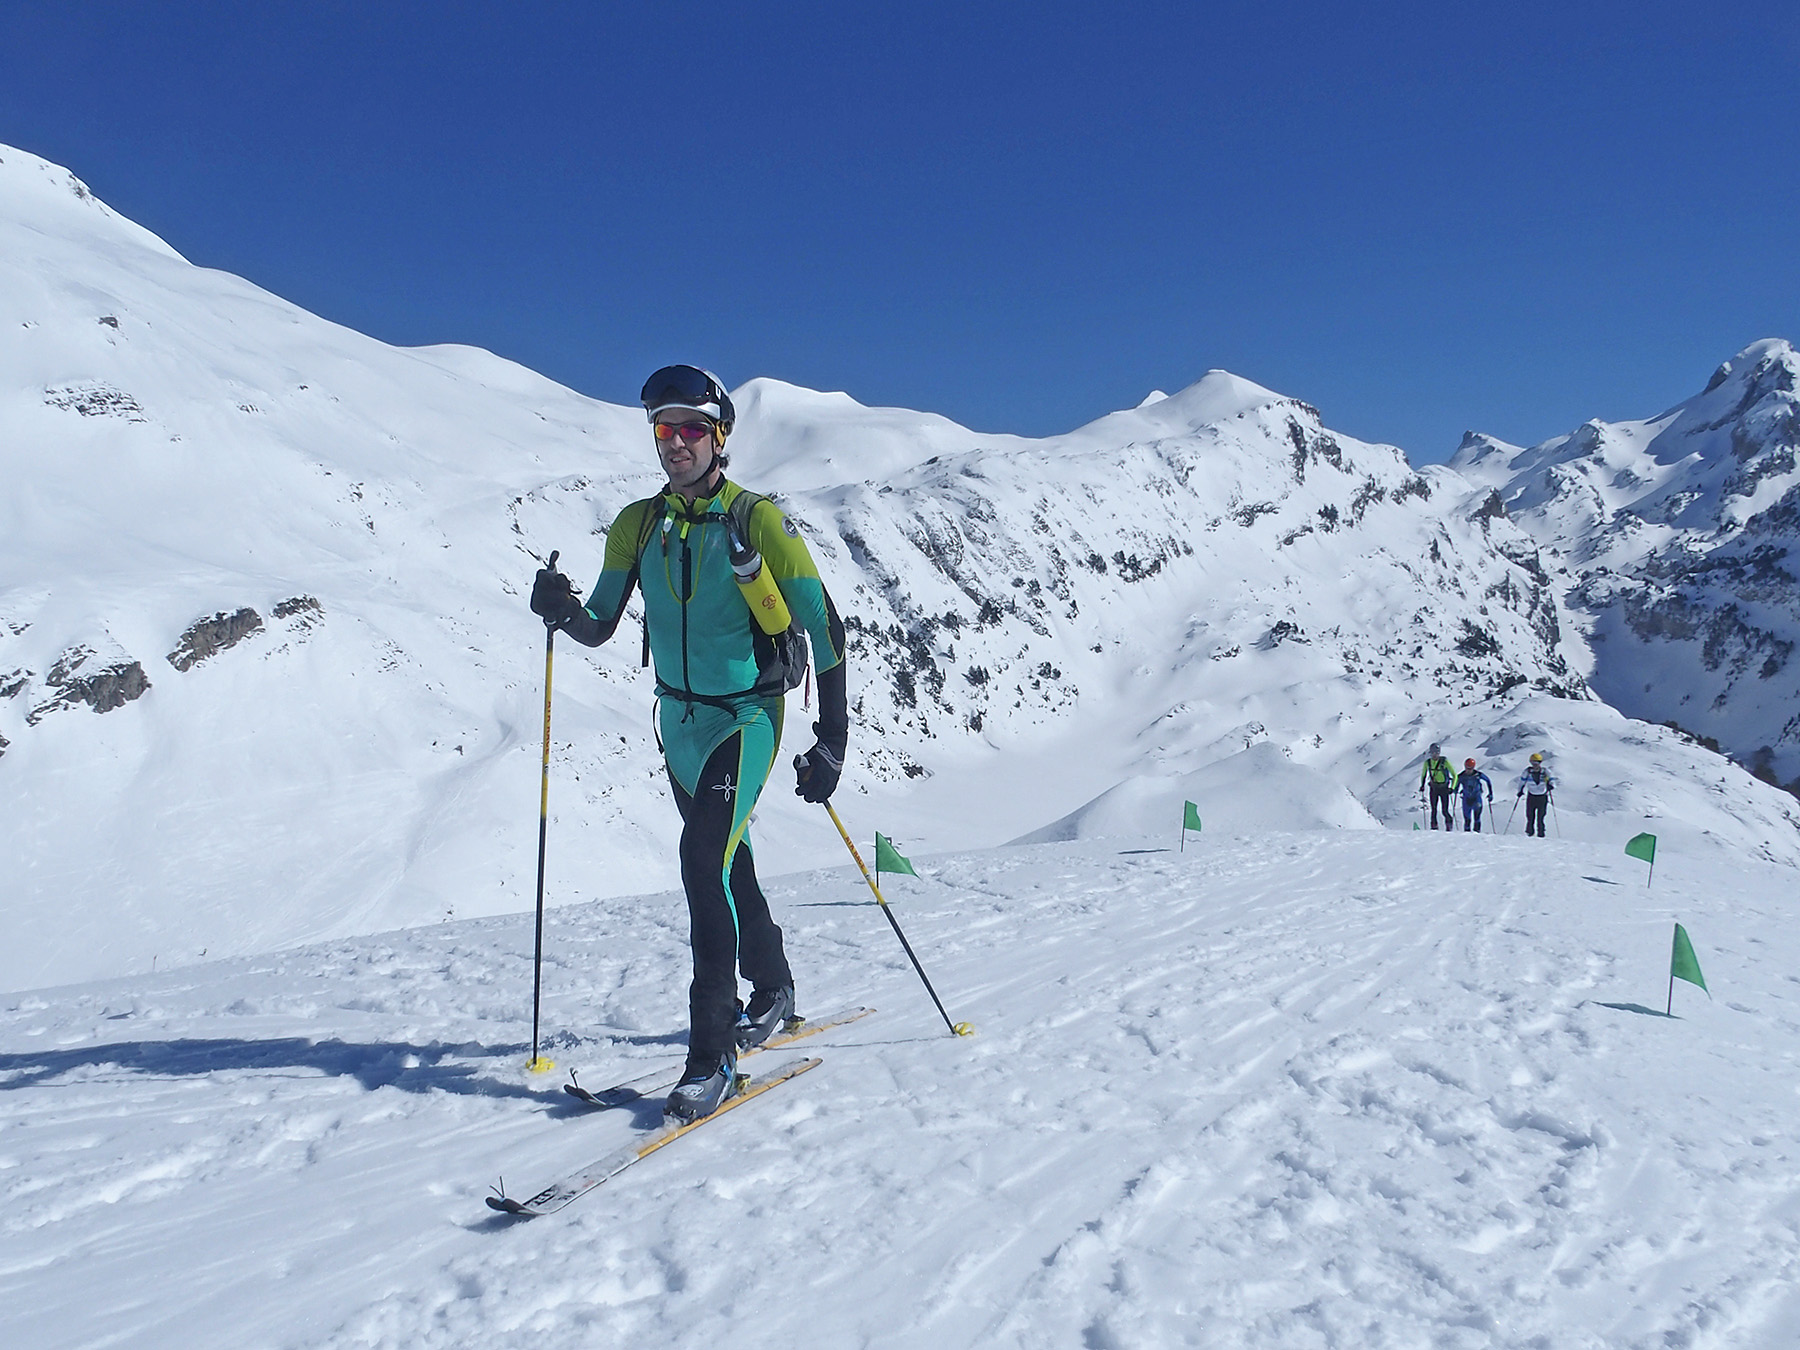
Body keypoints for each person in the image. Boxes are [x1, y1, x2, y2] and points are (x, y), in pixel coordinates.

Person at [529, 365, 850, 1122]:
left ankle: (712, 1056)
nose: (675, 442)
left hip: (747, 717)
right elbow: (602, 624)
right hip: (677, 722)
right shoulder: (637, 524)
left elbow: (828, 629)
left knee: (700, 859)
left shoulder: (760, 521)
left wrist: (832, 740)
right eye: (663, 429)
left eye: (691, 429)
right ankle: (773, 986)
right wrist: (561, 609)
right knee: (726, 859)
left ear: (720, 437)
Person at [1517, 752, 1554, 838]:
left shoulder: (1545, 771)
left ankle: (1541, 834)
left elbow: (1552, 780)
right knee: (1530, 816)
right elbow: (1522, 782)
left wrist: (1551, 785)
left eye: (1537, 763)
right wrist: (1520, 791)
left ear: (1540, 763)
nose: (1535, 765)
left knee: (1541, 817)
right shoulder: (1527, 771)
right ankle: (1529, 833)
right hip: (1532, 796)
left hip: (1542, 796)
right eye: (1533, 762)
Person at [1419, 743, 1456, 830]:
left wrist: (1452, 788)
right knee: (1434, 809)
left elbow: (1454, 775)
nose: (1434, 755)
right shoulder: (1427, 763)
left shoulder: (1445, 762)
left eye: (1436, 753)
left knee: (1444, 810)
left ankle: (1449, 824)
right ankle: (1434, 826)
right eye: (1433, 753)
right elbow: (1423, 774)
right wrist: (1422, 785)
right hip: (1434, 788)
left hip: (1444, 788)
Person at [1457, 758, 1494, 832]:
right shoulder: (1461, 776)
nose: (1469, 770)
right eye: (1467, 768)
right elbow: (1456, 784)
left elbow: (1488, 780)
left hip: (1476, 798)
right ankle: (1466, 835)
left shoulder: (1478, 775)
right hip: (1466, 799)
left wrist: (1490, 793)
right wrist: (1454, 790)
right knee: (1467, 819)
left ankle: (1477, 834)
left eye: (1470, 768)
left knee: (1477, 818)